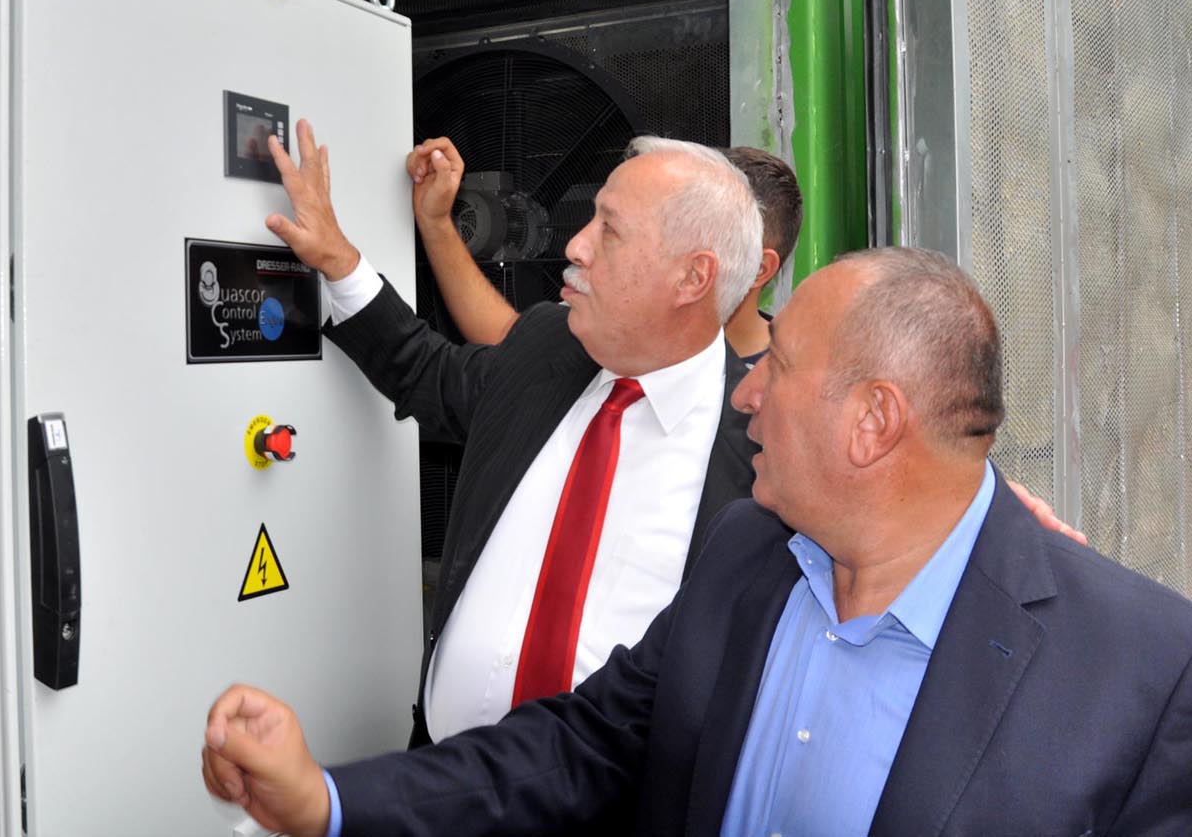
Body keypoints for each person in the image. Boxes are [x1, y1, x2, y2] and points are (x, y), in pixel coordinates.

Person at [202, 247, 1192, 837]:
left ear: (873, 422)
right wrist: (328, 799)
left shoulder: (1141, 672)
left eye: (777, 366)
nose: (745, 392)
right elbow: (578, 744)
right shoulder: (746, 555)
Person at [264, 120, 765, 746]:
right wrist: (338, 260)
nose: (576, 246)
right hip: (439, 773)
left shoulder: (762, 459)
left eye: (609, 229)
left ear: (693, 278)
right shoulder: (548, 347)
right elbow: (427, 373)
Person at [405, 139, 803, 363]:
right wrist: (437, 222)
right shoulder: (612, 324)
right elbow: (508, 342)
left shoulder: (774, 394)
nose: (577, 247)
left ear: (759, 268)